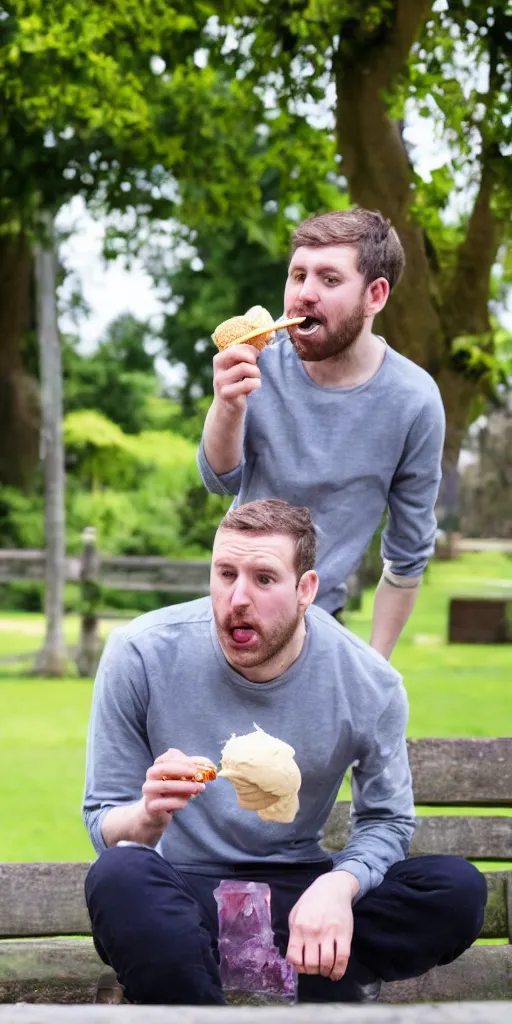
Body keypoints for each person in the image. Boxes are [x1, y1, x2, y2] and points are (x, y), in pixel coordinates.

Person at [83, 499, 485, 1007]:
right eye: (225, 573)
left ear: (306, 591)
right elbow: (102, 819)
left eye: (264, 579)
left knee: (455, 890)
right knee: (119, 877)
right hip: (182, 898)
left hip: (301, 896)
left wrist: (341, 884)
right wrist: (146, 817)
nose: (238, 599)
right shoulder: (140, 653)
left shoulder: (367, 682)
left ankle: (316, 976)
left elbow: (387, 821)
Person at [197, 208, 446, 660]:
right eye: (297, 275)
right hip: (230, 614)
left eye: (329, 280)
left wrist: (374, 667)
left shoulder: (413, 401)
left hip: (320, 626)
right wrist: (226, 407)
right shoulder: (260, 363)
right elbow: (218, 480)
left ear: (375, 295)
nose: (304, 294)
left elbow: (408, 555)